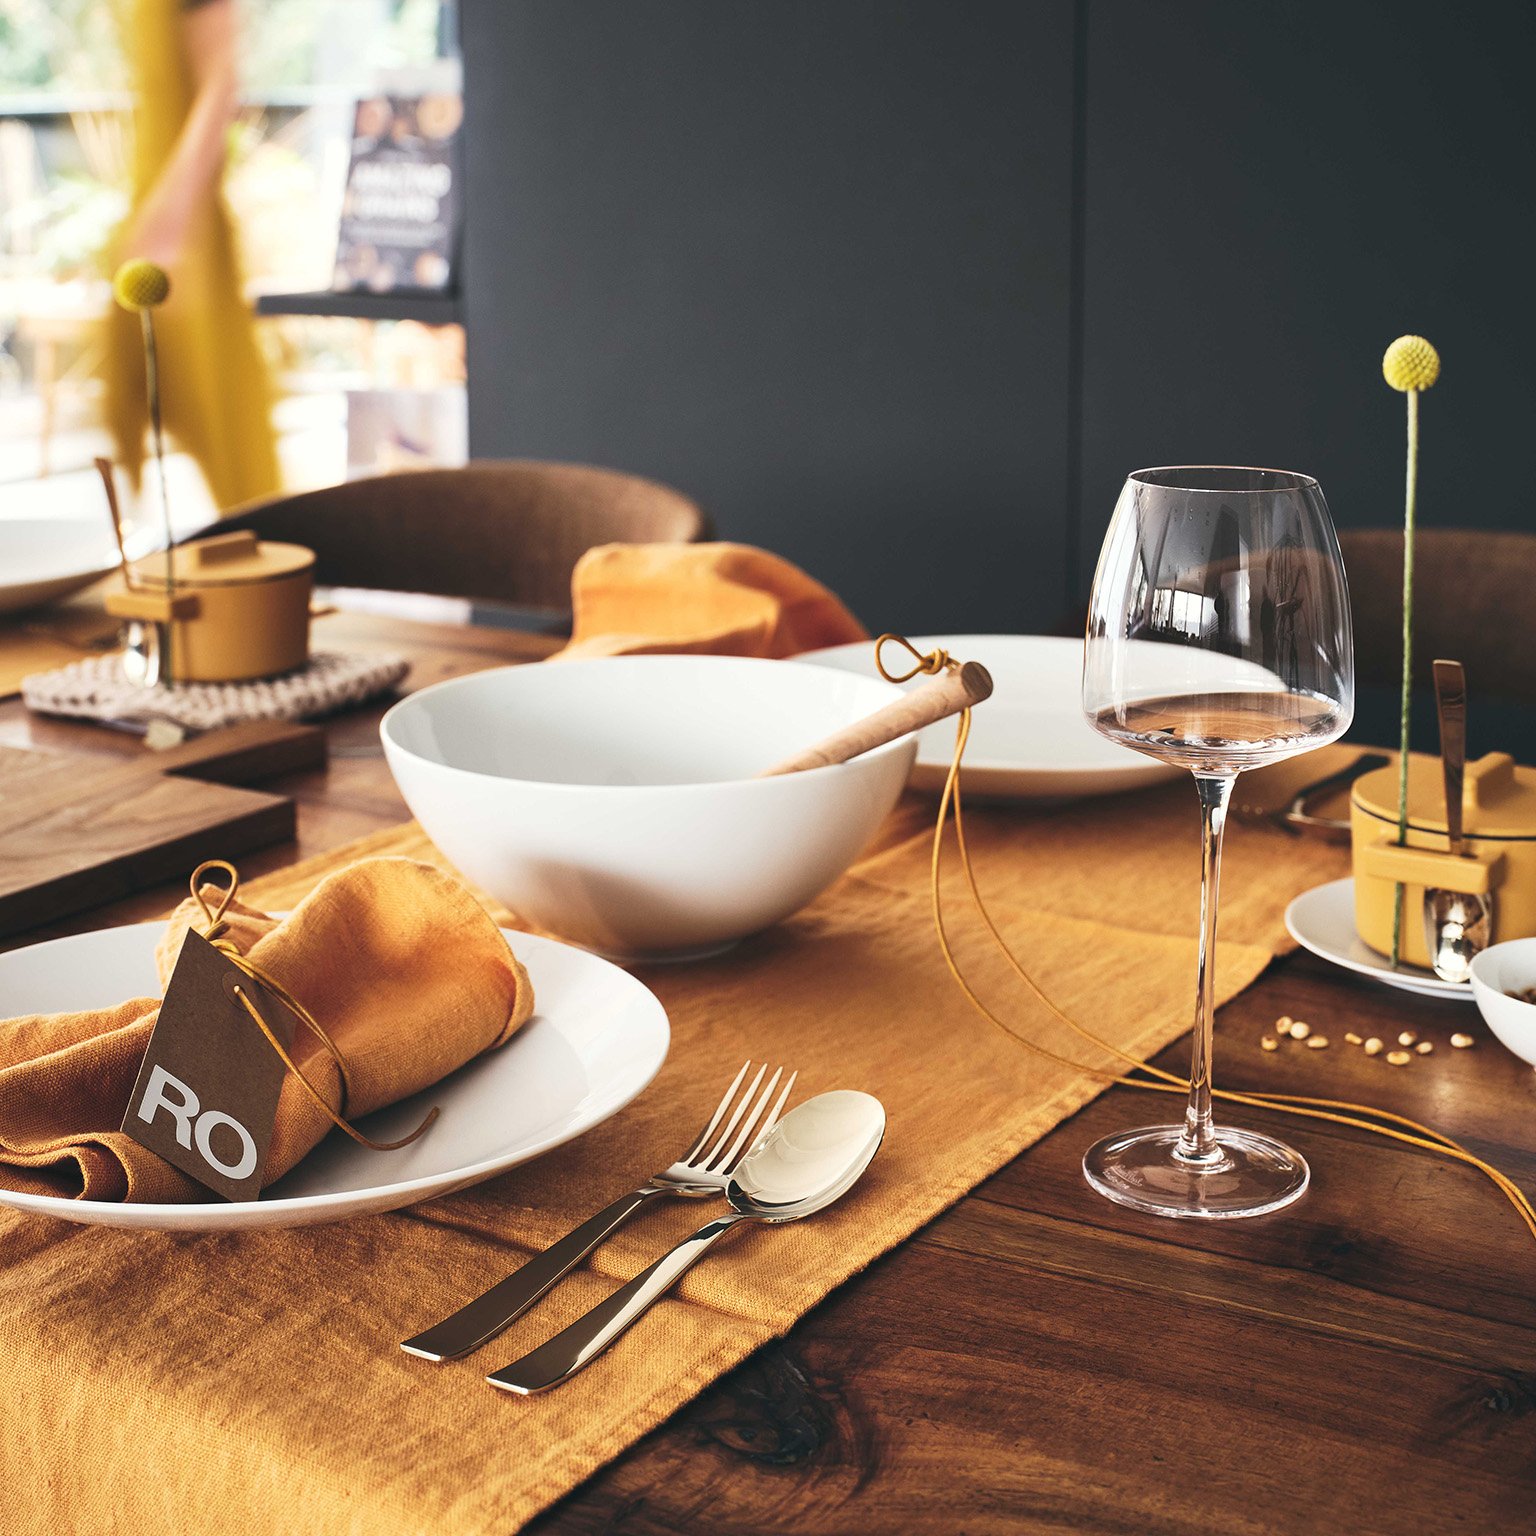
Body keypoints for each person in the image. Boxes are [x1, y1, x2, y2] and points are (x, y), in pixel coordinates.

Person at [102, 0, 281, 512]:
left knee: (235, 446)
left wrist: (168, 227)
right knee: (127, 423)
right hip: (155, 213)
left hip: (183, 233)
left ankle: (274, 571)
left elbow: (221, 83)